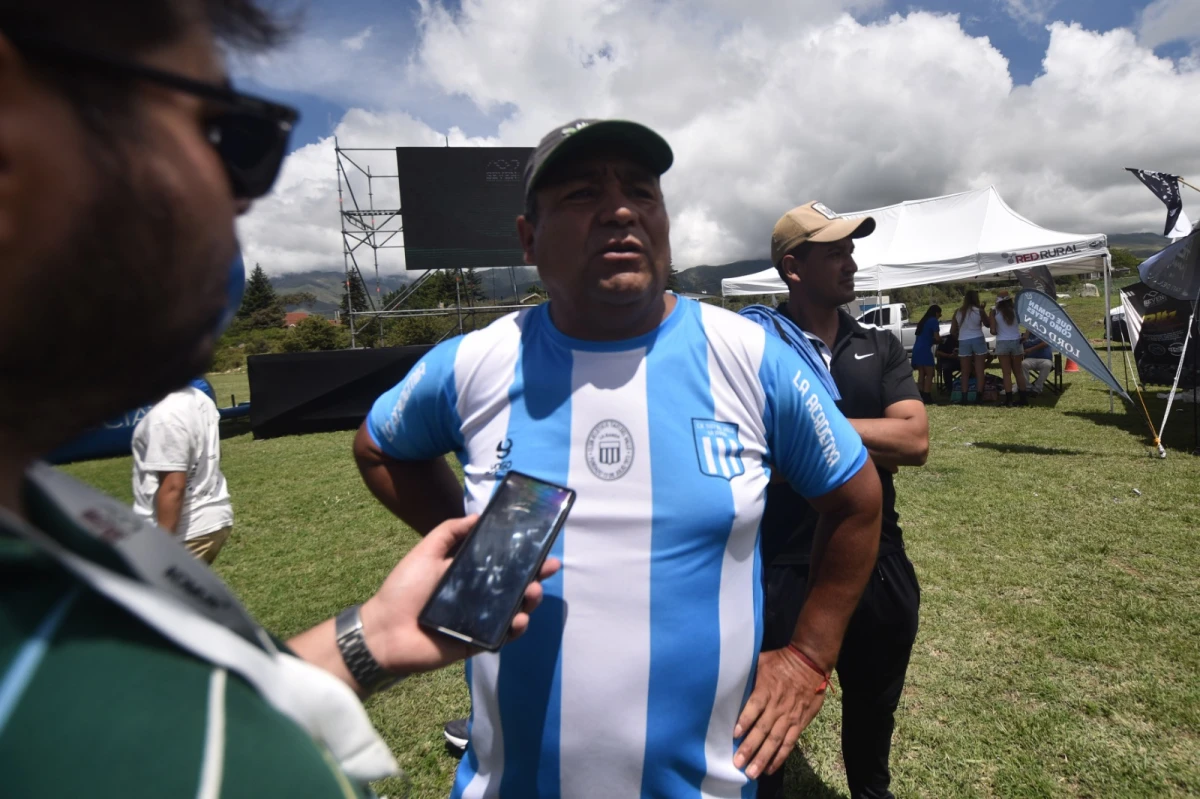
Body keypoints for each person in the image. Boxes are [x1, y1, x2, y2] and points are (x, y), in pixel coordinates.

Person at [0, 5, 556, 795]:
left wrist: (367, 640)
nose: (243, 200)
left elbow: (206, 710)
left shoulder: (54, 515)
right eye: (229, 136)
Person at [354, 120, 884, 797]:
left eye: (642, 191)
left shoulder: (750, 359)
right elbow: (378, 447)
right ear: (527, 238)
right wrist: (470, 548)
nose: (622, 209)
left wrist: (810, 652)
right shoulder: (475, 363)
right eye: (581, 194)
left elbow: (857, 499)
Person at [743, 203, 928, 799]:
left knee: (874, 714)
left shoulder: (879, 345)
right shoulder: (752, 347)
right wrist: (862, 435)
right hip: (783, 564)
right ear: (793, 267)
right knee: (767, 721)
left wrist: (806, 430)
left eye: (852, 250)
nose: (851, 262)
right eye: (835, 252)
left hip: (878, 556)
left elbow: (915, 439)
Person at [131, 382, 233, 563]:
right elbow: (215, 454)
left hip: (186, 529)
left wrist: (161, 548)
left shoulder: (165, 417)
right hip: (212, 517)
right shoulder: (199, 398)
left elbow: (173, 487)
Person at [988, 291, 1028, 406]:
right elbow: (1029, 324)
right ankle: (1023, 398)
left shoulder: (994, 312)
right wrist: (1026, 335)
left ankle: (1009, 400)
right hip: (1016, 341)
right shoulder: (1017, 310)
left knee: (1006, 373)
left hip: (1002, 342)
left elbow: (993, 331)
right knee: (1018, 372)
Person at [949, 290, 988, 404]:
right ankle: (979, 396)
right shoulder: (979, 311)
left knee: (965, 371)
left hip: (964, 340)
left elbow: (952, 331)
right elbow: (988, 324)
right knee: (979, 370)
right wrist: (983, 310)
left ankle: (964, 396)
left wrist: (959, 338)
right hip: (978, 339)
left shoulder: (958, 312)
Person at [910, 304, 942, 404]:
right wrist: (941, 340)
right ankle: (927, 395)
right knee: (930, 373)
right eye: (940, 314)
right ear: (936, 313)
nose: (939, 316)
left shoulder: (923, 321)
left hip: (917, 349)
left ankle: (920, 394)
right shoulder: (933, 321)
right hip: (925, 350)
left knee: (921, 373)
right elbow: (937, 338)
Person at [1022, 329, 1054, 396]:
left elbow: (1045, 343)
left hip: (1044, 359)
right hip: (1030, 359)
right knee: (1023, 364)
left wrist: (1031, 349)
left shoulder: (1045, 332)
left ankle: (1037, 388)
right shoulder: (1027, 335)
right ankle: (1027, 388)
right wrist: (1027, 332)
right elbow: (1023, 343)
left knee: (1047, 364)